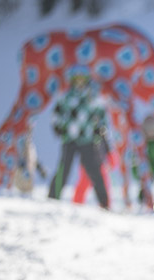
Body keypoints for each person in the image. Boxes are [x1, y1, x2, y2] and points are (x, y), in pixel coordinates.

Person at [49, 70, 110, 209]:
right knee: (64, 168)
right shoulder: (66, 97)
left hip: (87, 138)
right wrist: (57, 126)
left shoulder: (92, 98)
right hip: (69, 138)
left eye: (82, 80)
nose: (79, 83)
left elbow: (101, 114)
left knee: (94, 170)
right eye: (76, 80)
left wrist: (100, 128)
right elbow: (57, 112)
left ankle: (104, 203)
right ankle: (52, 198)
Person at [10, 128, 46, 196]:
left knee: (27, 195)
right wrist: (22, 166)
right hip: (20, 180)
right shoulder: (20, 144)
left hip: (29, 180)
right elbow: (17, 159)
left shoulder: (31, 146)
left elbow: (34, 159)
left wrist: (40, 169)